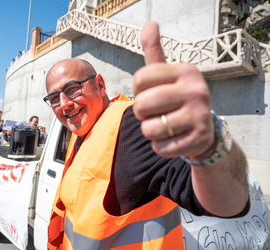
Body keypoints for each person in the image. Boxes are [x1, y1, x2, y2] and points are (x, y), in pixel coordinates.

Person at [44, 22, 249, 249]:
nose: (64, 104)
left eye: (72, 89)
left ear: (100, 85)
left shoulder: (130, 126)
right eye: (54, 98)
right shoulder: (81, 132)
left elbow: (227, 203)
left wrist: (209, 146)